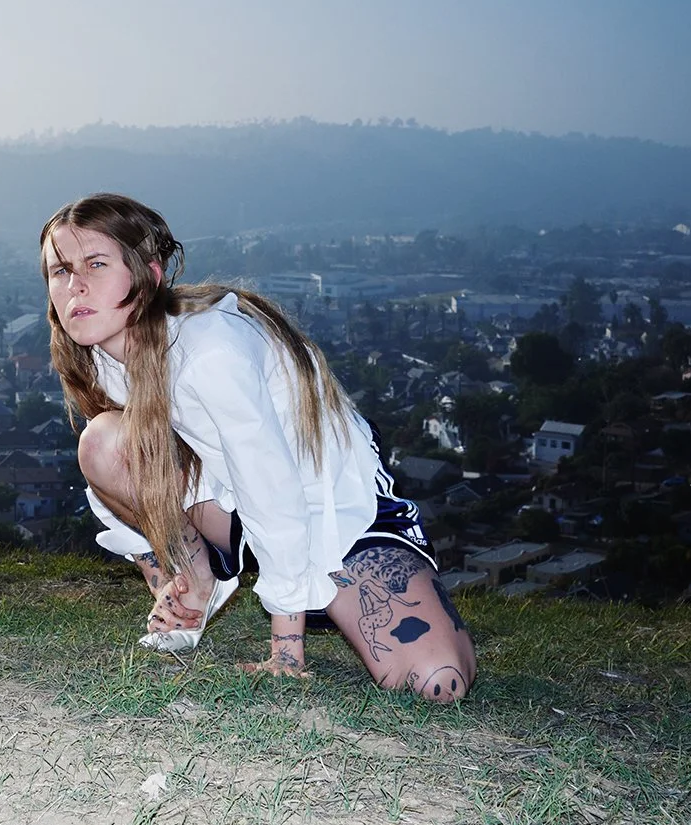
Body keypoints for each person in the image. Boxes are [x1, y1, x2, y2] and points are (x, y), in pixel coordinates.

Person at [41, 193, 475, 702]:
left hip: (336, 513)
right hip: (237, 511)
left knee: (437, 681)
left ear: (149, 274)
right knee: (101, 443)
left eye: (96, 264)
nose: (75, 286)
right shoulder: (102, 357)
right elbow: (151, 463)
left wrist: (286, 649)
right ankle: (193, 585)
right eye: (60, 270)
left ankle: (327, 596)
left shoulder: (209, 351)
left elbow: (274, 489)